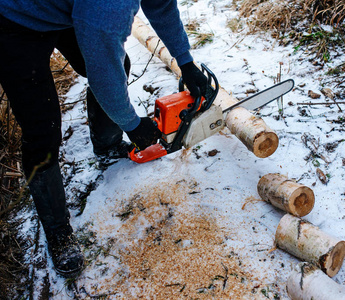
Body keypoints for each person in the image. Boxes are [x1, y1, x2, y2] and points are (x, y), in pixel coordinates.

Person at [0, 0, 209, 277]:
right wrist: (132, 124)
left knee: (118, 62)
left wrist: (185, 60)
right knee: (42, 129)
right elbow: (102, 69)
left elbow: (160, 6)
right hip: (16, 20)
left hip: (66, 9)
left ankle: (107, 145)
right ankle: (57, 230)